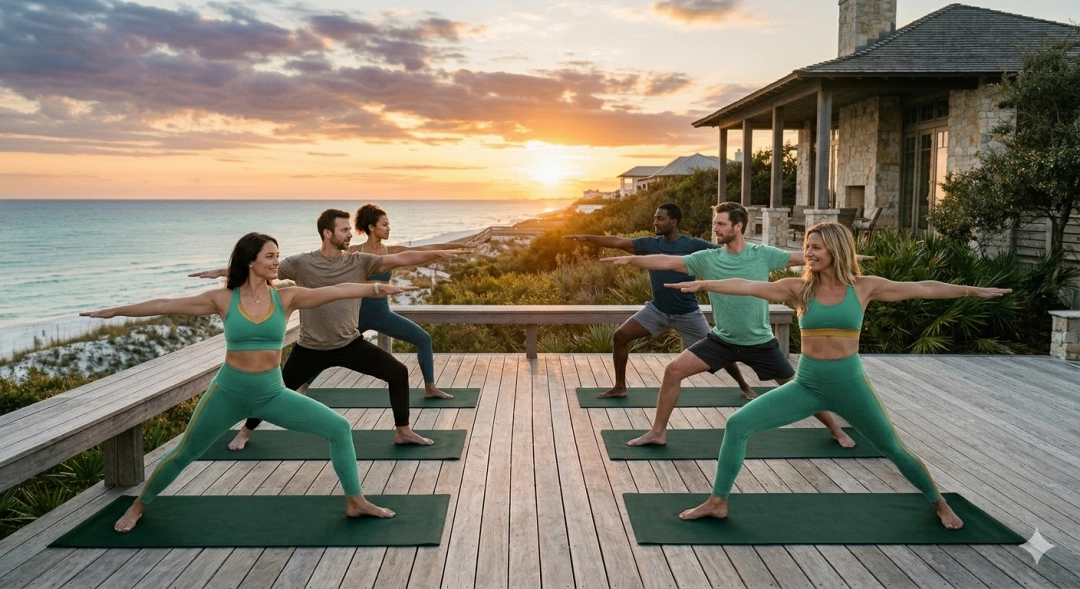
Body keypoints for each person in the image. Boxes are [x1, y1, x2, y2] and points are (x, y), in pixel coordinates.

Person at [666, 222, 1010, 528]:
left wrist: (970, 290)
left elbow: (922, 287)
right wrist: (704, 284)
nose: (808, 254)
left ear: (836, 248)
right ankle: (718, 501)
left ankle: (939, 502)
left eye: (815, 247)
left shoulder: (863, 287)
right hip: (808, 386)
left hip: (850, 385)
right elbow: (746, 285)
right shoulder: (798, 289)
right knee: (737, 425)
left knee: (893, 448)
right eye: (806, 247)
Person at [82, 232, 412, 532]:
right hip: (228, 392)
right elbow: (166, 305)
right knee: (184, 453)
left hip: (271, 393)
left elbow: (336, 291)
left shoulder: (286, 297)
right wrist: (117, 312)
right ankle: (139, 506)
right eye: (270, 256)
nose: (276, 262)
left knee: (338, 427)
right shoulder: (223, 299)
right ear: (250, 259)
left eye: (278, 255)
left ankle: (355, 501)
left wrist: (378, 288)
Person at [191, 209, 463, 450]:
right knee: (275, 390)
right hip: (311, 348)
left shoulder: (359, 261)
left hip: (349, 343)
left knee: (398, 373)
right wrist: (222, 271)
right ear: (327, 233)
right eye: (344, 230)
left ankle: (403, 432)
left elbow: (403, 258)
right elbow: (263, 271)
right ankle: (246, 431)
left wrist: (438, 253)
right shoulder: (301, 263)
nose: (349, 234)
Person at [603, 202, 854, 448]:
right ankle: (657, 432)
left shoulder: (762, 255)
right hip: (722, 341)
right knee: (673, 371)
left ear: (738, 226)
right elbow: (667, 261)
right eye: (715, 224)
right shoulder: (707, 259)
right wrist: (632, 261)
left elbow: (805, 258)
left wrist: (845, 257)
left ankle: (835, 428)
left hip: (760, 343)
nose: (716, 229)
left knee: (800, 389)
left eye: (721, 224)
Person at [565, 203, 755, 399]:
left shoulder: (693, 245)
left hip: (687, 313)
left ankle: (744, 385)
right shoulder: (650, 244)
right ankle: (620, 387)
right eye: (655, 218)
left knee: (717, 349)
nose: (655, 222)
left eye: (660, 219)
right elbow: (619, 242)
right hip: (658, 310)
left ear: (673, 222)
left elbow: (724, 253)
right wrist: (588, 238)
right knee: (620, 336)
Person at [295, 203, 470, 400]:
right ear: (371, 227)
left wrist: (452, 247)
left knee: (423, 339)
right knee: (329, 350)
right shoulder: (353, 251)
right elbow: (326, 263)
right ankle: (302, 388)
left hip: (382, 314)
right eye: (384, 224)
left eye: (389, 225)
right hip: (356, 317)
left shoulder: (391, 251)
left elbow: (422, 250)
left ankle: (430, 388)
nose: (389, 228)